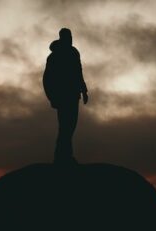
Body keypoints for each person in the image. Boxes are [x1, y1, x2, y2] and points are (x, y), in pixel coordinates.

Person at [43, 28, 88, 165]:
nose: (70, 39)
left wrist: (84, 90)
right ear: (62, 38)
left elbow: (78, 72)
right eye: (67, 36)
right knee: (65, 127)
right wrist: (52, 97)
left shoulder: (74, 53)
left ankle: (65, 155)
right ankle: (61, 157)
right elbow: (47, 78)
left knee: (71, 126)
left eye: (71, 36)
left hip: (74, 95)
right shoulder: (54, 56)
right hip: (63, 96)